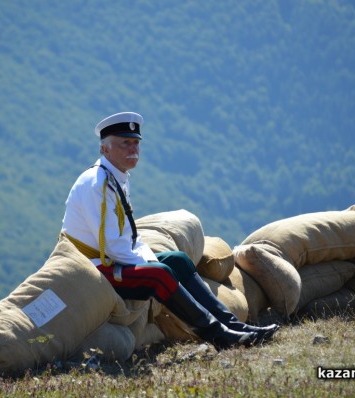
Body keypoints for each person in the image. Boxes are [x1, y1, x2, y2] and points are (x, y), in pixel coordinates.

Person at [60, 112, 279, 350]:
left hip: (111, 259)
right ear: (105, 149)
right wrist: (152, 265)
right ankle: (219, 335)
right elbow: (115, 246)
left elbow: (129, 237)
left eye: (135, 143)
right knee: (160, 274)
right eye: (125, 143)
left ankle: (234, 325)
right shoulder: (98, 185)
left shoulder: (114, 177)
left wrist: (151, 259)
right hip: (94, 267)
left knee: (177, 260)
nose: (132, 149)